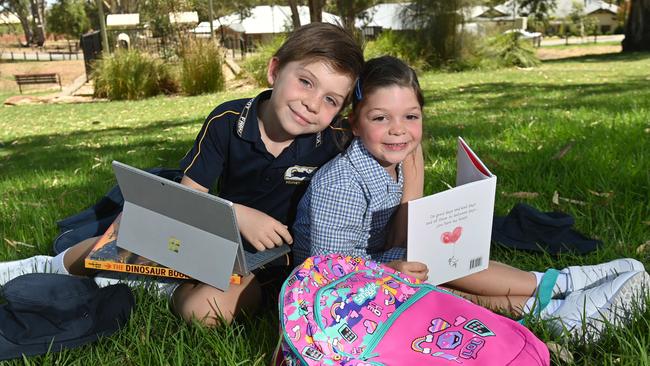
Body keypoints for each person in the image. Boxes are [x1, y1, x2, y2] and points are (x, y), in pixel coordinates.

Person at [0, 23, 368, 326]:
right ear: (274, 71)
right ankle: (45, 266)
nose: (313, 104)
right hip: (209, 237)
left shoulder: (332, 139)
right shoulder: (227, 121)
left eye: (331, 100)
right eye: (306, 82)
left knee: (208, 311)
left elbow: (393, 145)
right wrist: (240, 214)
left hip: (269, 265)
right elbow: (187, 199)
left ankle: (159, 286)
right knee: (133, 226)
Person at [292, 55, 649, 340]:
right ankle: (557, 301)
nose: (398, 129)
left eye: (410, 116)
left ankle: (559, 299)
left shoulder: (396, 162)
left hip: (381, 264)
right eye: (380, 117)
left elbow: (401, 238)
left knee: (443, 258)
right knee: (432, 275)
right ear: (354, 123)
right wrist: (390, 271)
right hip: (335, 300)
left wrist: (416, 189)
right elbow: (327, 275)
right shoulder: (341, 183)